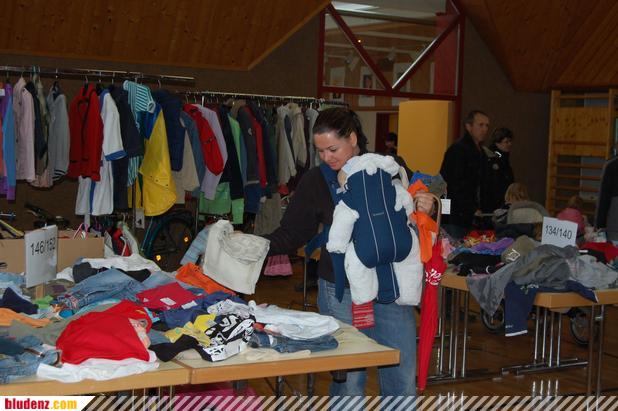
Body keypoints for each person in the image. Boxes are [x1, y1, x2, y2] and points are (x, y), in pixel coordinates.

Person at [263, 107, 434, 397]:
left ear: (353, 139)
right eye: (320, 151)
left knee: (402, 377)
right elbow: (292, 233)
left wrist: (426, 204)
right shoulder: (316, 180)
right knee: (349, 382)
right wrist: (256, 245)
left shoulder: (390, 168)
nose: (327, 157)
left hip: (392, 286)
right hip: (341, 291)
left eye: (333, 149)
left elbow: (423, 205)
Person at [439, 110, 490, 239]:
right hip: (456, 215)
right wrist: (471, 208)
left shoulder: (482, 152)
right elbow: (454, 184)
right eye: (481, 125)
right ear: (468, 126)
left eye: (487, 125)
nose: (484, 129)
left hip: (472, 216)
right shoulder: (458, 150)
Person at [481, 127, 515, 213]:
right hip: (493, 206)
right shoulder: (491, 160)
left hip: (502, 205)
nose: (509, 144)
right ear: (497, 142)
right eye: (506, 142)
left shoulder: (503, 160)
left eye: (510, 141)